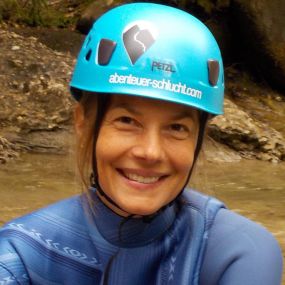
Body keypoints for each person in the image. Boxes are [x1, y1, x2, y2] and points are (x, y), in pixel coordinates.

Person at [0, 3, 283, 285]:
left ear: (198, 140)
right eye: (126, 121)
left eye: (176, 128)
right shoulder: (19, 254)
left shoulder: (236, 253)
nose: (150, 152)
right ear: (83, 123)